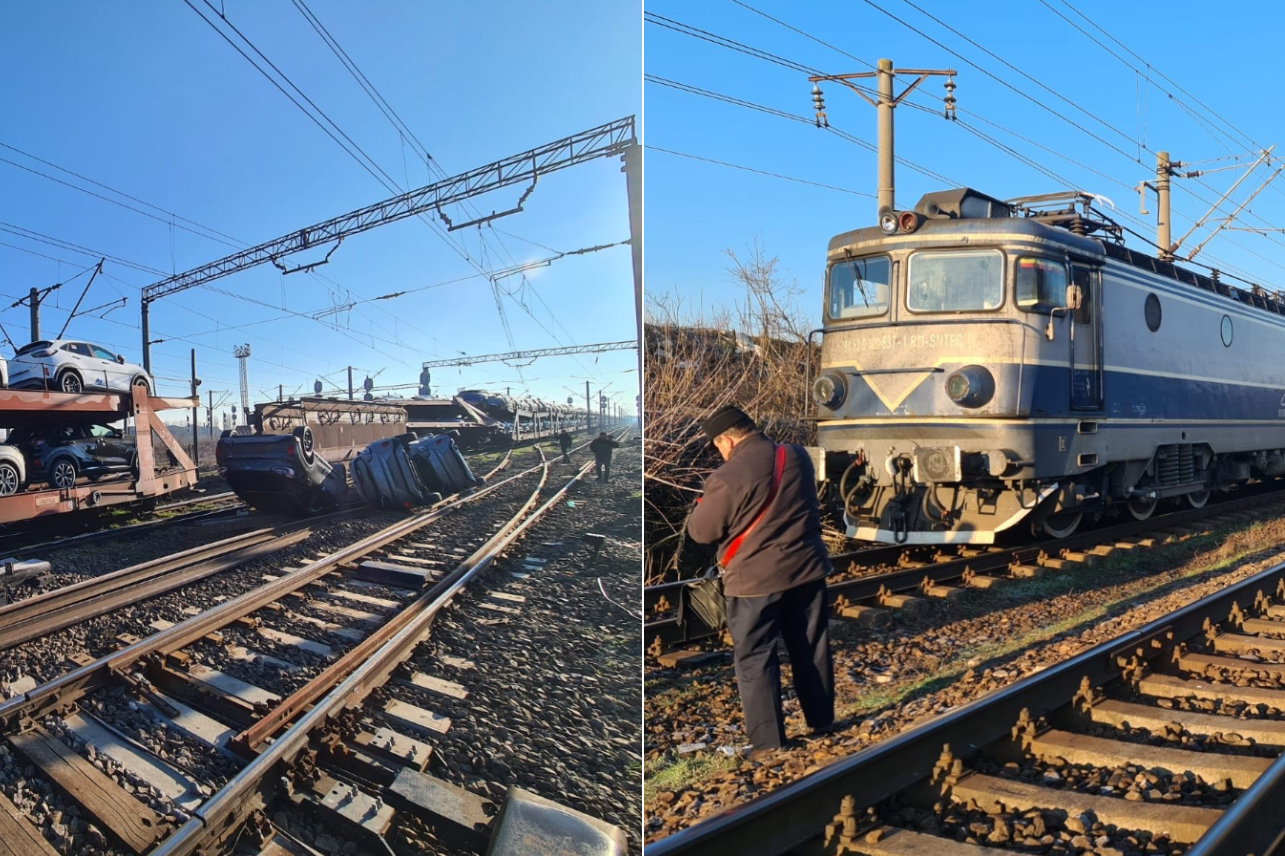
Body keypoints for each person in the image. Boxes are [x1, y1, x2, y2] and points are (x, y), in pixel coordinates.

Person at [686, 405, 834, 755]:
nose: (718, 452)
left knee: (755, 658)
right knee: (811, 647)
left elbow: (701, 532)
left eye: (717, 446)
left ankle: (769, 745)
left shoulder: (727, 476)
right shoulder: (797, 456)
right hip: (807, 571)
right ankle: (822, 722)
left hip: (754, 582)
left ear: (727, 439)